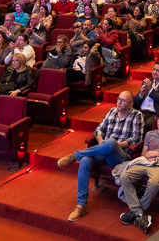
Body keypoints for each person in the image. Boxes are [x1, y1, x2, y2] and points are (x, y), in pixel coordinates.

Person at [57, 90, 144, 222]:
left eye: (123, 100)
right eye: (118, 98)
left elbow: (136, 139)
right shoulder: (112, 111)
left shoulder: (137, 116)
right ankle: (81, 205)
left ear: (131, 104)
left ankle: (76, 155)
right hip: (103, 150)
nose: (119, 102)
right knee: (86, 160)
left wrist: (112, 145)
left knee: (111, 142)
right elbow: (99, 130)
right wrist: (102, 144)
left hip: (120, 155)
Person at [117, 110, 159, 234]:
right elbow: (143, 153)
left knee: (154, 184)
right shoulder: (150, 134)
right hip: (144, 162)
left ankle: (136, 212)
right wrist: (147, 155)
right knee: (125, 176)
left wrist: (158, 154)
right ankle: (139, 213)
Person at [133, 61, 159, 128]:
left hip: (154, 113)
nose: (155, 72)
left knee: (147, 124)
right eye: (154, 69)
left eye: (158, 71)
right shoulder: (147, 81)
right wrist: (141, 94)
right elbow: (135, 101)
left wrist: (151, 90)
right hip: (141, 110)